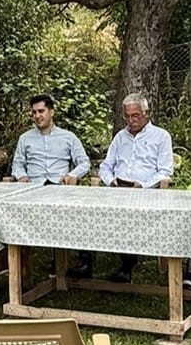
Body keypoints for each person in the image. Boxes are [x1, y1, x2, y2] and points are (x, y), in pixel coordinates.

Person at [73, 93, 174, 282]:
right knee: (85, 209)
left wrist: (141, 185)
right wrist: (110, 180)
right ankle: (85, 261)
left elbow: (165, 171)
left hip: (145, 192)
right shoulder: (120, 137)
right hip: (117, 189)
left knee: (130, 212)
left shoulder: (161, 136)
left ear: (146, 114)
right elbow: (105, 166)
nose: (130, 120)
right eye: (127, 116)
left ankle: (127, 266)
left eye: (135, 116)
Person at [10, 94, 90, 185]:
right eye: (34, 112)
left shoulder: (69, 137)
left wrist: (71, 175)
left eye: (41, 111)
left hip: (60, 187)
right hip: (33, 186)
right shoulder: (24, 138)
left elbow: (84, 163)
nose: (37, 116)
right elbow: (17, 164)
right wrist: (21, 176)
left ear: (51, 112)